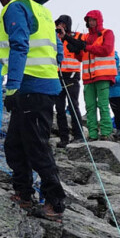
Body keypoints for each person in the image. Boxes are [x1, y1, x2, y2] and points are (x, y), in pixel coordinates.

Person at [0, 0, 67, 222]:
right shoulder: (42, 10)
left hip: (29, 87)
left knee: (36, 146)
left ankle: (55, 202)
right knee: (15, 143)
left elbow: (20, 44)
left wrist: (12, 86)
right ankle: (23, 193)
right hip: (43, 86)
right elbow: (57, 46)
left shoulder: (16, 7)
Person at [63, 10, 116, 141]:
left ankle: (106, 132)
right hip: (88, 77)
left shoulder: (107, 33)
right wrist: (76, 51)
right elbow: (82, 57)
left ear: (99, 20)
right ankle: (92, 134)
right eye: (89, 20)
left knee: (103, 105)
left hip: (103, 75)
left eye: (93, 20)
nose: (91, 22)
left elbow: (106, 50)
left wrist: (85, 47)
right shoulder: (86, 37)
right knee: (90, 106)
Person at [54, 15, 85, 146]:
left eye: (63, 24)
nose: (61, 26)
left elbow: (82, 47)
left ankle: (79, 135)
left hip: (72, 75)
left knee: (73, 106)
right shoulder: (55, 37)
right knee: (59, 108)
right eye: (59, 24)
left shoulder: (77, 36)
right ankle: (64, 138)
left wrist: (66, 36)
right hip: (57, 76)